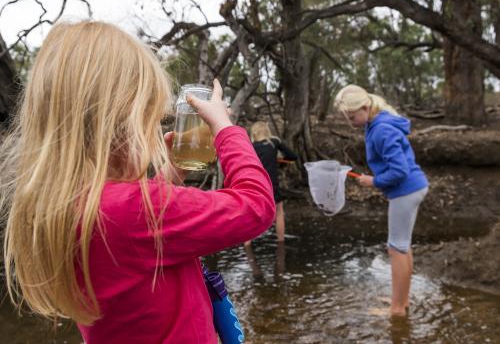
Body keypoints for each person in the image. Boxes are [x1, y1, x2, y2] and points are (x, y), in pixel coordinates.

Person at [1, 21, 276, 343]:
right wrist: (226, 131)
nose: (154, 135)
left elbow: (140, 234)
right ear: (116, 127)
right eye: (150, 121)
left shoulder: (66, 204)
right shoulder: (130, 211)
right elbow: (256, 207)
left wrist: (171, 172)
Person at [334, 84, 428, 317]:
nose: (350, 122)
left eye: (352, 116)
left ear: (365, 108)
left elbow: (400, 171)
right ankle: (401, 299)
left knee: (396, 248)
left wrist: (373, 181)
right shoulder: (376, 123)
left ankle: (397, 308)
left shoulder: (382, 130)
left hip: (406, 190)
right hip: (412, 188)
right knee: (402, 247)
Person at [246, 121, 297, 243]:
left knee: (251, 214)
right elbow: (293, 156)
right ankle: (281, 241)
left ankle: (247, 244)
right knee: (279, 212)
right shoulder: (274, 142)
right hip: (271, 184)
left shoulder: (250, 146)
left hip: (255, 185)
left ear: (254, 133)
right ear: (267, 132)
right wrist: (281, 160)